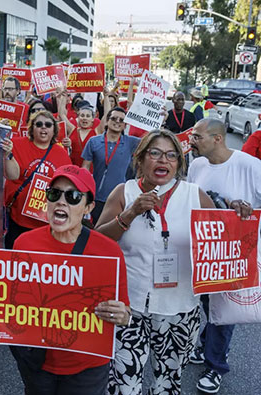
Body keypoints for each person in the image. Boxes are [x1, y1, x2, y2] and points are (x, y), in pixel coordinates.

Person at [0, 165, 130, 395]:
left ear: (88, 207)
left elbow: (125, 312)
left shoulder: (108, 251)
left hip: (87, 366)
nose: (61, 202)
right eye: (54, 194)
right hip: (37, 362)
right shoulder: (25, 243)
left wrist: (121, 315)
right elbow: (12, 301)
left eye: (73, 197)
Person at [95, 129, 215, 395]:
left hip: (179, 308)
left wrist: (239, 213)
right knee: (124, 387)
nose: (164, 160)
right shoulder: (124, 192)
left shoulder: (194, 195)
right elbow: (97, 241)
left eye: (171, 155)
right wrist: (131, 213)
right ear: (140, 159)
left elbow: (223, 238)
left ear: (179, 162)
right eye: (156, 153)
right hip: (129, 307)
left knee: (167, 385)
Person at [186, 118, 261, 394]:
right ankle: (209, 343)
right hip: (205, 251)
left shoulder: (250, 166)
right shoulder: (196, 165)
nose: (191, 141)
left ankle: (216, 366)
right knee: (209, 305)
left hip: (236, 255)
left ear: (217, 138)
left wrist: (247, 213)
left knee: (225, 310)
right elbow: (193, 198)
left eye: (197, 136)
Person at [4, 110, 71, 248]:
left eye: (48, 124)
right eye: (39, 124)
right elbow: (11, 175)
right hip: (17, 218)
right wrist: (1, 135)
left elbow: (66, 185)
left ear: (54, 130)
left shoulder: (62, 154)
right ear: (31, 128)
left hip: (47, 222)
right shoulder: (16, 145)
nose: (43, 127)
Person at [81, 107, 140, 223]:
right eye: (114, 118)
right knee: (96, 229)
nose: (117, 121)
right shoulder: (93, 141)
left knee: (113, 230)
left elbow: (152, 140)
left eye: (121, 120)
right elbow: (85, 167)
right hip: (96, 197)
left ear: (125, 125)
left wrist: (162, 120)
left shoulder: (131, 142)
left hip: (119, 198)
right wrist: (84, 191)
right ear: (107, 121)